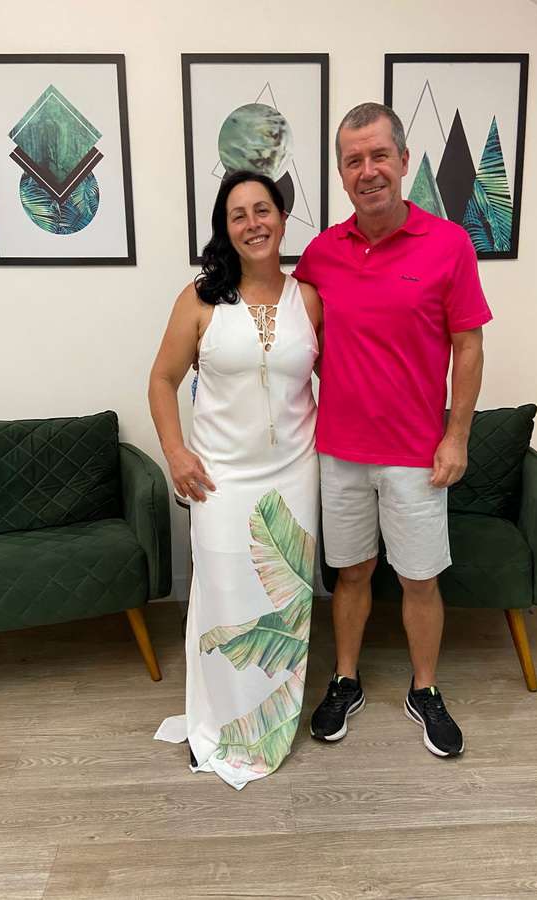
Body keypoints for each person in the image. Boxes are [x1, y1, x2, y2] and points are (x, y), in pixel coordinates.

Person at [294, 102, 492, 757]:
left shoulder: (448, 244)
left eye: (379, 155)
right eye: (354, 160)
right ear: (341, 174)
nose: (368, 170)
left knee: (418, 579)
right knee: (350, 575)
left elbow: (468, 346)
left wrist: (456, 437)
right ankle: (345, 679)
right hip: (340, 452)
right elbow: (292, 338)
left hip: (415, 454)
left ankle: (424, 688)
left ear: (404, 161)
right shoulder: (321, 254)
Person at [149, 170, 322, 790]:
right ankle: (221, 725)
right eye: (238, 214)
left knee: (283, 604)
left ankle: (268, 728)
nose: (253, 223)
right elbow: (162, 380)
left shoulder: (310, 300)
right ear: (226, 229)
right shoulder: (200, 299)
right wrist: (176, 452)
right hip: (220, 481)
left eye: (262, 209)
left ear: (282, 217)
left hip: (295, 476)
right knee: (223, 600)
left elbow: (339, 381)